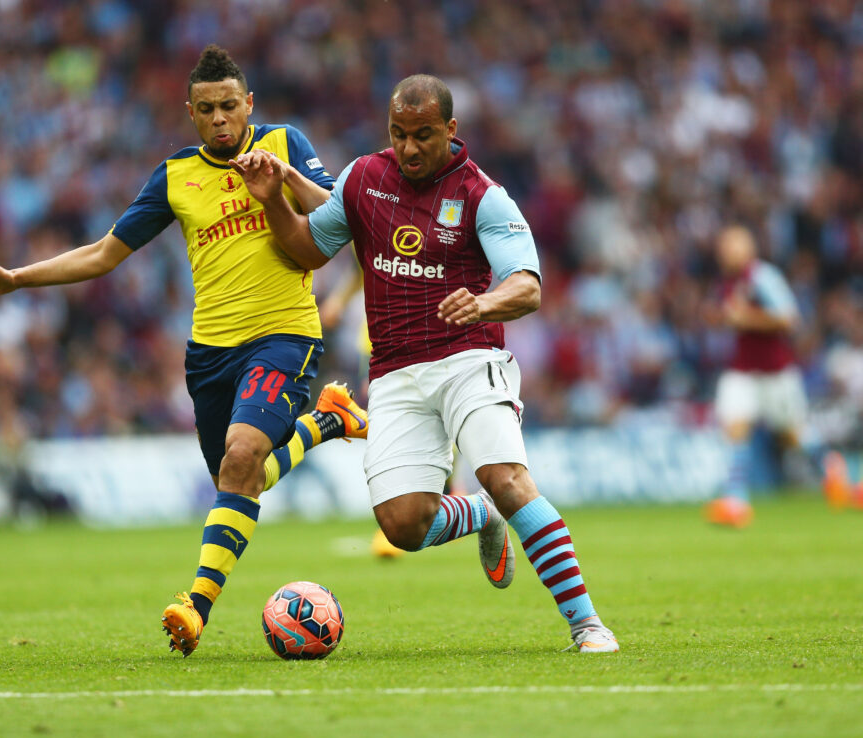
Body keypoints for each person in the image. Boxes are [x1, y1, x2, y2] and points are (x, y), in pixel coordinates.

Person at [0, 45, 369, 657]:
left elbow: (341, 215)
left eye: (230, 106)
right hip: (209, 355)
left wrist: (282, 180)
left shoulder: (284, 143)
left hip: (285, 334)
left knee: (242, 456)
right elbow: (103, 254)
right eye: (207, 110)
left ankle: (195, 605)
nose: (221, 119)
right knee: (239, 478)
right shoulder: (176, 176)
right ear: (191, 114)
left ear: (249, 104)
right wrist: (18, 278)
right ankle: (329, 420)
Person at [233, 74, 618, 652]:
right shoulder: (364, 178)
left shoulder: (483, 195)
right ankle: (480, 517)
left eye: (423, 135)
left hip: (469, 356)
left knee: (507, 479)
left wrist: (485, 301)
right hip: (392, 371)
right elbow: (309, 247)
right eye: (399, 133)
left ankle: (587, 623)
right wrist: (271, 202)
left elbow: (529, 286)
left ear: (451, 130)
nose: (409, 148)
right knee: (403, 525)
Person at [704, 225, 808, 528]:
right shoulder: (727, 282)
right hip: (743, 369)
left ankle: (836, 472)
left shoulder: (763, 277)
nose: (724, 252)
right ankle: (735, 499)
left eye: (730, 245)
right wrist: (718, 317)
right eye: (722, 246)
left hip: (776, 371)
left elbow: (790, 319)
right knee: (735, 426)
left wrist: (746, 318)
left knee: (793, 436)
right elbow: (720, 316)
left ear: (746, 248)